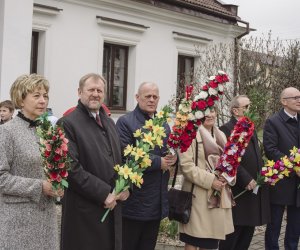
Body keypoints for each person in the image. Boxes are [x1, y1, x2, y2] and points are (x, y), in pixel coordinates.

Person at [60, 73, 129, 250]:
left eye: (99, 90)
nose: (95, 94)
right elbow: (71, 168)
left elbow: (121, 158)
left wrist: (126, 187)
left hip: (112, 208)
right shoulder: (67, 123)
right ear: (79, 92)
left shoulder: (109, 122)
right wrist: (104, 193)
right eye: (91, 89)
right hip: (84, 214)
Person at [0, 74, 63, 249]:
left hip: (46, 219)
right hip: (18, 223)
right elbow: (1, 178)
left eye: (45, 96)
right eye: (36, 96)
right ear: (20, 100)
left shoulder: (48, 131)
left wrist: (59, 183)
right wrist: (40, 186)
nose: (43, 101)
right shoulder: (6, 132)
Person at [116, 82, 177, 250]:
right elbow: (126, 154)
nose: (151, 100)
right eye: (147, 96)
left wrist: (173, 158)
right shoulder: (125, 122)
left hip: (156, 201)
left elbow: (169, 148)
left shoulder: (162, 124)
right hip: (135, 200)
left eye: (155, 97)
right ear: (137, 97)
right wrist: (159, 162)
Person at [218, 95, 270, 250]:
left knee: (246, 236)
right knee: (233, 236)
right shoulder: (226, 130)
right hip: (238, 189)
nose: (250, 109)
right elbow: (228, 159)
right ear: (235, 110)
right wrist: (245, 178)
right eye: (246, 107)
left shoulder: (249, 127)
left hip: (252, 189)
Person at [178, 107, 234, 250]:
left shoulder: (221, 134)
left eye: (213, 110)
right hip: (198, 195)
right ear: (198, 114)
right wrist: (211, 181)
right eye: (205, 111)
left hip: (218, 195)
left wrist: (227, 177)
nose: (210, 115)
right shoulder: (190, 133)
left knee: (210, 242)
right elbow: (186, 166)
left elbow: (230, 161)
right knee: (193, 240)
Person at [263, 87, 300, 250]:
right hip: (281, 181)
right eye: (295, 97)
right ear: (284, 102)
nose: (299, 100)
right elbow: (271, 150)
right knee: (274, 226)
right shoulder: (273, 121)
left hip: (298, 185)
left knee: (295, 226)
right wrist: (294, 165)